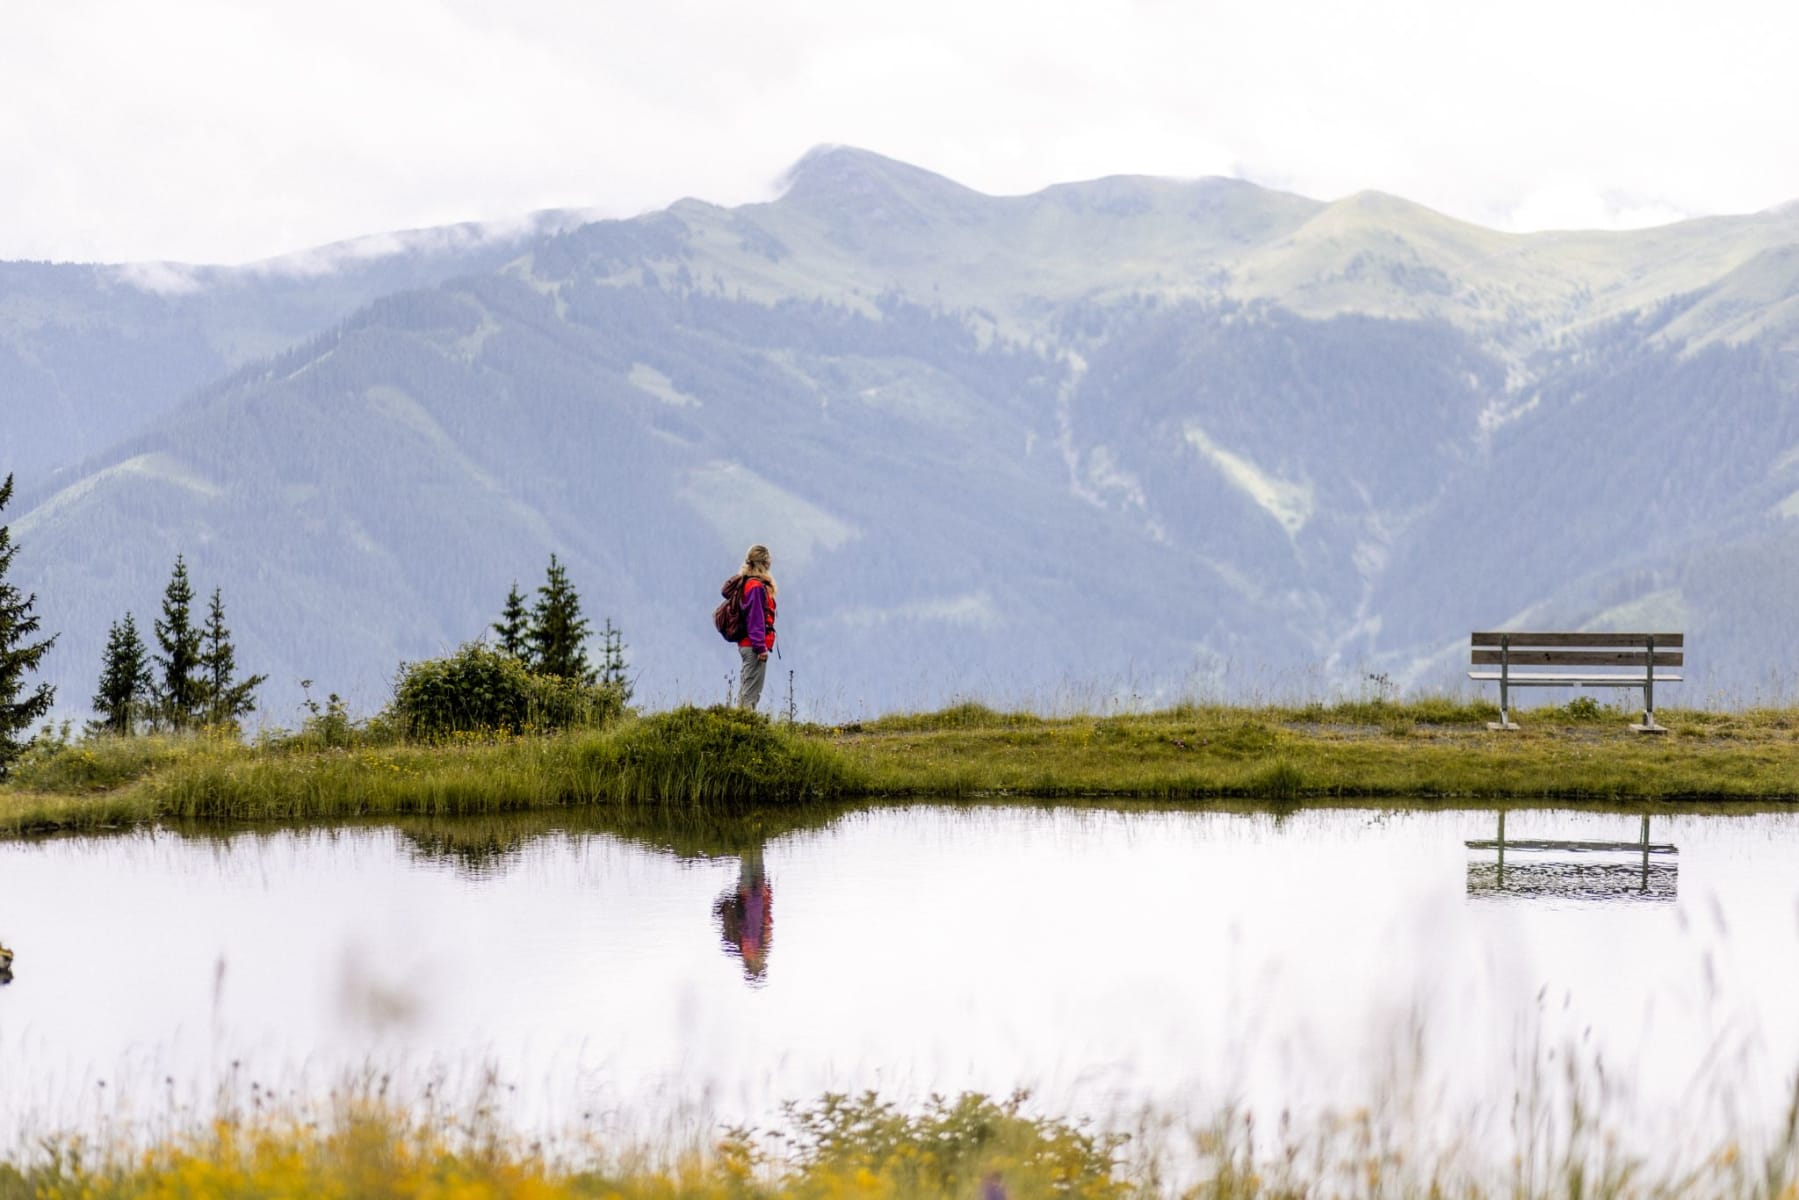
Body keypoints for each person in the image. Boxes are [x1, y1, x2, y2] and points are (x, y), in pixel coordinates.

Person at [733, 544, 777, 710]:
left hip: (746, 644)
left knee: (746, 689)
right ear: (763, 563)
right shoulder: (756, 587)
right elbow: (756, 619)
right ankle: (746, 730)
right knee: (751, 694)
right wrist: (760, 648)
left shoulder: (747, 583)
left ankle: (740, 725)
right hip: (753, 646)